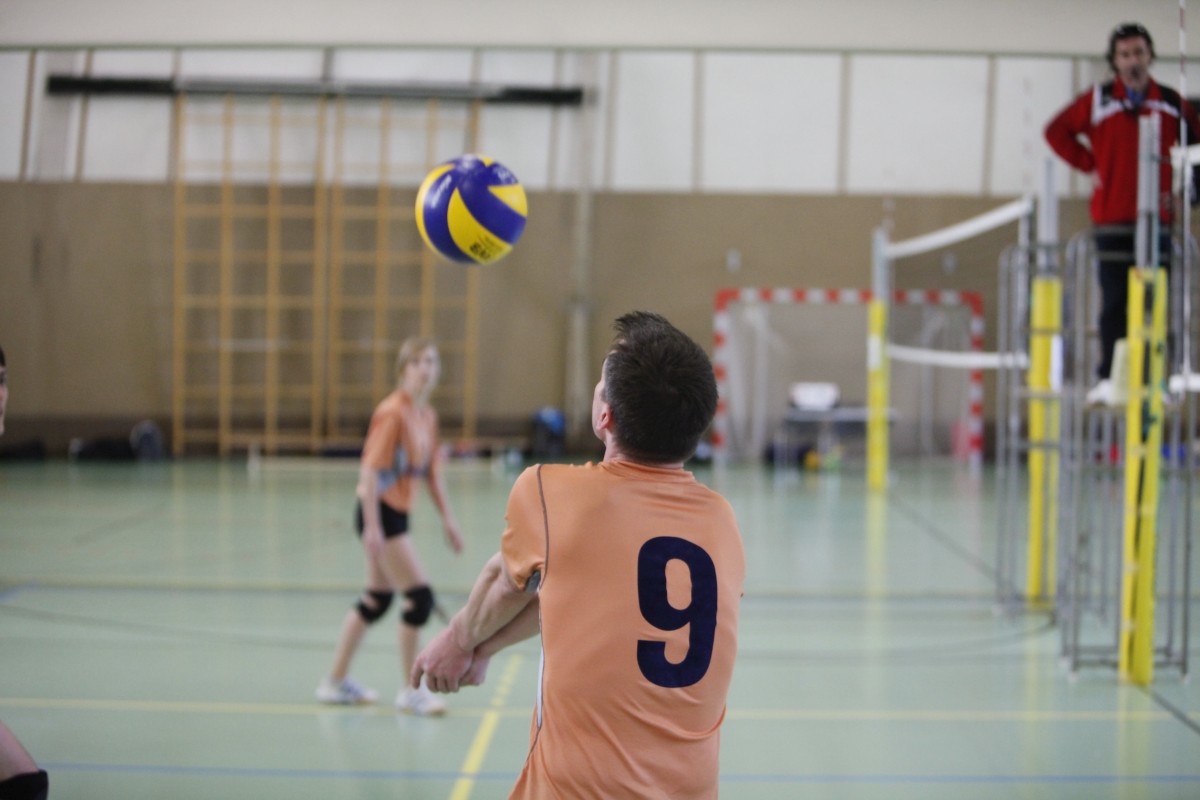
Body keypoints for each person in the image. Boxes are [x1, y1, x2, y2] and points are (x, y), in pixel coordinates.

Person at [412, 311, 746, 798]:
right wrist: (486, 648)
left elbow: (504, 584)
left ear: (604, 416)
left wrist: (459, 641)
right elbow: (580, 594)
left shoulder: (550, 491)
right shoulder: (721, 521)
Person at [1045, 22, 1200, 405]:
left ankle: (1156, 379)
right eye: (1125, 54)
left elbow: (1197, 150)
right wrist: (1089, 164)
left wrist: (1188, 195)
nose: (1133, 61)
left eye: (1139, 53)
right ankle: (1109, 377)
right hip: (1112, 220)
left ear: (1150, 56)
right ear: (1114, 61)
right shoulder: (1098, 100)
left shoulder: (1171, 102)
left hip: (1158, 222)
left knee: (1155, 302)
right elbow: (1056, 131)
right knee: (1114, 302)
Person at [316, 337, 464, 716]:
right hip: (379, 512)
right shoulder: (392, 412)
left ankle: (334, 682)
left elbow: (432, 474)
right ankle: (411, 691)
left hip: (398, 513)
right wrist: (371, 527)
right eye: (417, 362)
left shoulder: (426, 417)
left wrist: (448, 520)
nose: (425, 368)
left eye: (431, 361)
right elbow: (369, 469)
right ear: (403, 370)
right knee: (419, 599)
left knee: (377, 600)